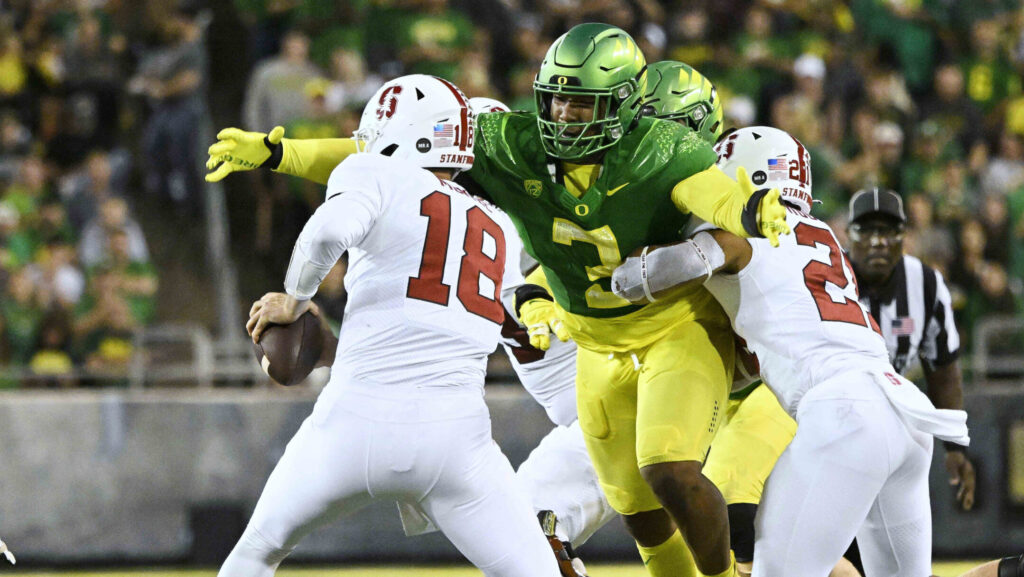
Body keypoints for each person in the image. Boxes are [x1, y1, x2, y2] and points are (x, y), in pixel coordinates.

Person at [206, 24, 792, 577]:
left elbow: (358, 199)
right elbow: (390, 169)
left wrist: (295, 293)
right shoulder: (505, 203)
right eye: (556, 101)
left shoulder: (651, 164)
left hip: (660, 357)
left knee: (668, 477)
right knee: (581, 533)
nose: (563, 118)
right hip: (541, 394)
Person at [219, 75, 561, 577]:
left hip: (352, 420)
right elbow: (440, 327)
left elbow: (329, 232)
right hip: (455, 440)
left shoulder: (373, 172)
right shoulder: (502, 229)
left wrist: (294, 301)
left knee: (257, 552)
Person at [610, 126, 970, 576]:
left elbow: (657, 273)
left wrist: (613, 268)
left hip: (845, 412)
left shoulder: (745, 234)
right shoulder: (825, 236)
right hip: (905, 412)